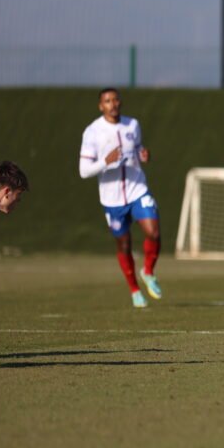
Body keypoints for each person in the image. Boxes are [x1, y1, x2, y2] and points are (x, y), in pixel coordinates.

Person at [79, 87, 163, 308]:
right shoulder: (92, 132)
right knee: (124, 244)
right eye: (107, 101)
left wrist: (144, 154)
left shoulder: (132, 125)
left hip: (137, 189)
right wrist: (105, 161)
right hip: (112, 199)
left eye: (115, 99)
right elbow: (84, 170)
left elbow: (137, 150)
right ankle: (135, 290)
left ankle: (148, 271)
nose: (113, 104)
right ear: (101, 106)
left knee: (153, 231)